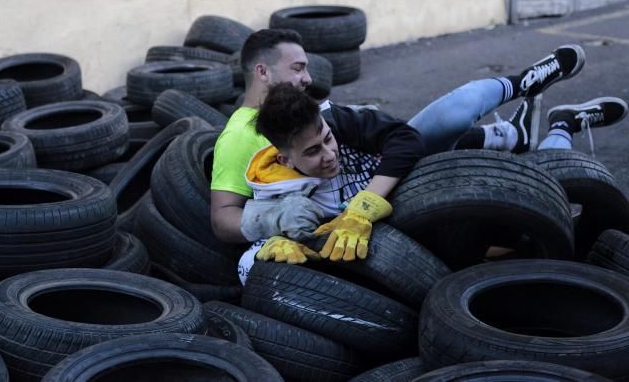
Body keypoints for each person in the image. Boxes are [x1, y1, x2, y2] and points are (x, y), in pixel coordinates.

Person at [210, 28, 587, 245]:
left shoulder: (317, 112)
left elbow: (398, 139)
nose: (308, 77)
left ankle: (523, 84)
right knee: (522, 208)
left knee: (449, 115)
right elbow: (223, 218)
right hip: (402, 203)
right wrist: (277, 222)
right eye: (297, 68)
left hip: (389, 175)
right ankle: (560, 127)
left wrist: (367, 202)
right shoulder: (239, 138)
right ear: (262, 71)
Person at [237, 81, 627, 281]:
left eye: (326, 139)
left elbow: (408, 140)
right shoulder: (276, 193)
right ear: (286, 158)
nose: (329, 153)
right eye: (313, 153)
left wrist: (364, 207)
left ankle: (563, 125)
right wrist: (266, 252)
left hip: (440, 193)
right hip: (427, 248)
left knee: (541, 185)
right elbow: (245, 259)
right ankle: (528, 132)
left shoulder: (342, 124)